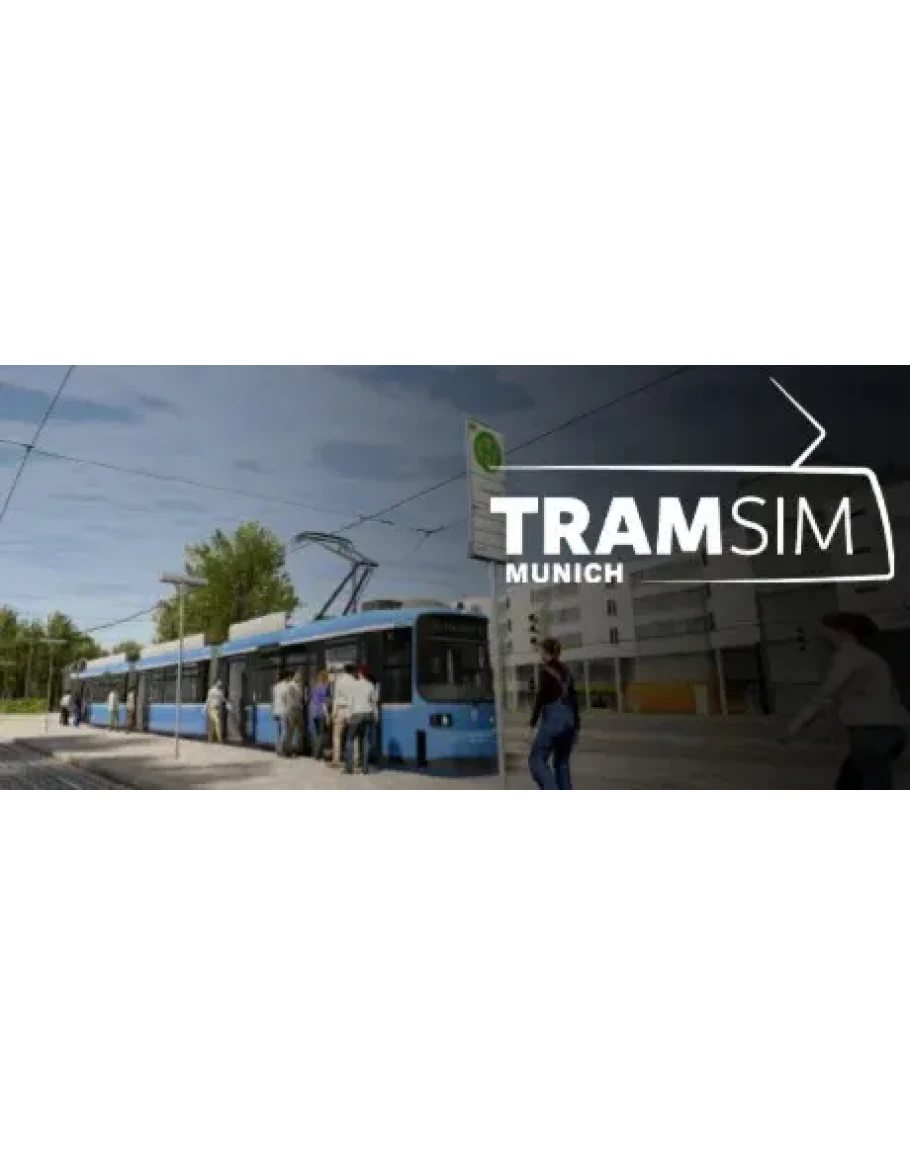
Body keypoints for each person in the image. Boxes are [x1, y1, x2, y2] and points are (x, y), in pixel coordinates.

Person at [786, 612, 909, 789]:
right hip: (889, 733)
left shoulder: (848, 656)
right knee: (849, 783)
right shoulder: (871, 657)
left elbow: (824, 695)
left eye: (826, 631)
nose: (823, 636)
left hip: (871, 735)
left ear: (843, 632)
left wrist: (793, 728)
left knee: (871, 786)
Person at [529, 638, 580, 789]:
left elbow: (541, 697)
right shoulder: (567, 672)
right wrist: (576, 727)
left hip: (554, 721)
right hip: (569, 722)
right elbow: (574, 700)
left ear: (546, 652)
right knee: (561, 762)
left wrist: (532, 723)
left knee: (536, 759)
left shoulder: (546, 671)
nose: (540, 654)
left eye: (541, 651)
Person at [345, 667, 376, 775]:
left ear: (360, 673)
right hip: (368, 714)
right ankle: (365, 769)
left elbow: (350, 702)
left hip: (356, 714)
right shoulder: (371, 685)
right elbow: (373, 702)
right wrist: (376, 716)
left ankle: (349, 768)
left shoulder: (353, 685)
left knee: (350, 739)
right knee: (365, 740)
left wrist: (348, 716)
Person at [332, 664, 357, 770]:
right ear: (352, 671)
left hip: (341, 710)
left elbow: (336, 697)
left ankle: (336, 760)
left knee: (337, 736)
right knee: (353, 737)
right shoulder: (355, 682)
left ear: (344, 670)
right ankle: (355, 760)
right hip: (352, 710)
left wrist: (334, 713)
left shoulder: (339, 681)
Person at [308, 670, 331, 761]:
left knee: (317, 733)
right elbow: (324, 703)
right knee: (321, 734)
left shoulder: (315, 687)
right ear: (326, 678)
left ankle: (317, 752)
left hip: (313, 712)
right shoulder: (325, 688)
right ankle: (317, 754)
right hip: (320, 712)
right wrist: (327, 715)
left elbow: (313, 700)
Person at [285, 672, 305, 756]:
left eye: (300, 677)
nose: (299, 678)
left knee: (300, 730)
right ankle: (288, 750)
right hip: (292, 710)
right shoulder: (291, 686)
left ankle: (297, 749)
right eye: (298, 677)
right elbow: (292, 699)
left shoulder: (298, 686)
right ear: (294, 677)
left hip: (298, 710)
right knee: (291, 730)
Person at [272, 672, 291, 756]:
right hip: (283, 711)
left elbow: (274, 699)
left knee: (278, 731)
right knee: (284, 731)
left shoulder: (275, 687)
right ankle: (282, 750)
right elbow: (288, 700)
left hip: (276, 711)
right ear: (286, 678)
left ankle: (277, 749)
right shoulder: (286, 687)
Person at [206, 679, 227, 743]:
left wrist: (227, 704)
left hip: (218, 709)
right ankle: (219, 739)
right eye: (219, 682)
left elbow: (223, 699)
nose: (220, 684)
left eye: (221, 683)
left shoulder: (220, 692)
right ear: (216, 683)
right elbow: (208, 699)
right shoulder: (211, 690)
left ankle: (210, 738)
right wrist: (206, 708)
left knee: (213, 724)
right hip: (212, 709)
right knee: (217, 722)